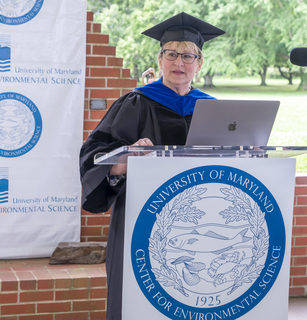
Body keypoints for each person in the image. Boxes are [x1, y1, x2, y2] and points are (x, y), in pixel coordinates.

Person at [79, 12, 225, 320]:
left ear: (199, 64)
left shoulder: (214, 108)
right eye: (171, 54)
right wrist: (122, 161)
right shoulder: (137, 102)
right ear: (160, 59)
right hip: (143, 216)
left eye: (188, 56)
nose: (179, 63)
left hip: (202, 219)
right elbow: (93, 151)